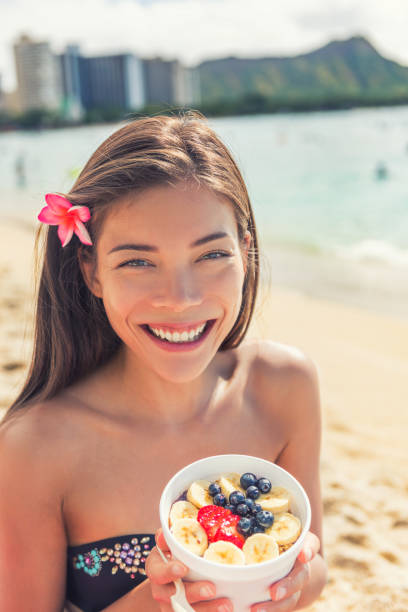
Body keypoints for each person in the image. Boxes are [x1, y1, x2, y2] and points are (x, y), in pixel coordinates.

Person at [0, 111, 327, 612]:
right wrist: (158, 603)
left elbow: (315, 564)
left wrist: (297, 582)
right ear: (91, 273)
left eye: (211, 254)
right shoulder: (35, 447)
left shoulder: (285, 387)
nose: (179, 298)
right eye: (137, 261)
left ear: (246, 252)